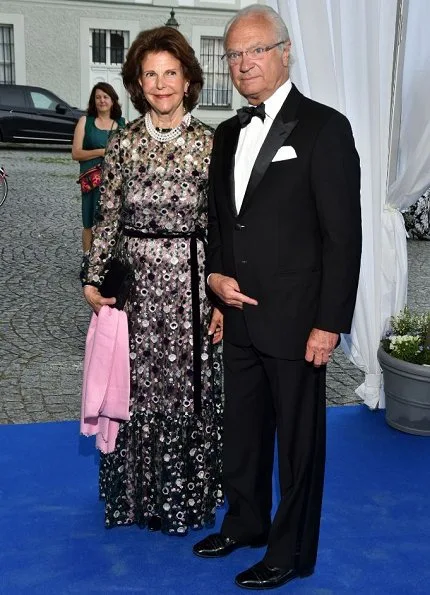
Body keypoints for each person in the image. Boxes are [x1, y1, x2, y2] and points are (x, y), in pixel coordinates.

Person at [193, 4, 362, 590]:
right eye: (234, 54)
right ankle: (246, 523)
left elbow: (343, 236)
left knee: (298, 443)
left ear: (285, 52)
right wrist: (215, 281)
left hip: (297, 321)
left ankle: (290, 552)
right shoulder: (228, 133)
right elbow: (220, 223)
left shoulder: (324, 128)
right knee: (242, 428)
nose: (243, 64)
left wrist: (329, 322)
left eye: (255, 50)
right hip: (237, 315)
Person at [81, 26, 224, 536]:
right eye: (150, 74)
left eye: (171, 73)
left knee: (187, 392)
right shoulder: (122, 143)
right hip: (136, 287)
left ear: (188, 80)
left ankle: (185, 499)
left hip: (190, 284)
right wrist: (94, 279)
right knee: (134, 389)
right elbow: (109, 215)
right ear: (137, 84)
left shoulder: (211, 144)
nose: (161, 84)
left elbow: (222, 228)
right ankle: (137, 499)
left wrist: (219, 299)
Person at [72, 82, 125, 253]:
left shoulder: (122, 124)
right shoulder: (85, 122)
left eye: (105, 97)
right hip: (91, 181)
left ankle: (108, 259)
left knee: (112, 222)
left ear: (112, 100)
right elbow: (76, 153)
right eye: (98, 97)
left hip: (114, 184)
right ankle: (88, 261)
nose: (102, 100)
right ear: (93, 101)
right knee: (88, 222)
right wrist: (101, 152)